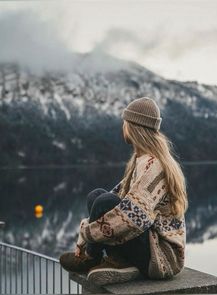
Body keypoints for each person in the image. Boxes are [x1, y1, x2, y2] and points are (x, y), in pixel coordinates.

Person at [60, 97, 188, 286]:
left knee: (104, 202)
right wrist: (87, 231)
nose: (123, 127)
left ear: (133, 127)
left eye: (125, 123)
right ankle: (119, 261)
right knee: (97, 196)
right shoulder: (141, 160)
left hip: (161, 257)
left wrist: (86, 235)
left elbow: (134, 217)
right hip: (146, 244)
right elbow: (117, 198)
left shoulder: (155, 166)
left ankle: (92, 258)